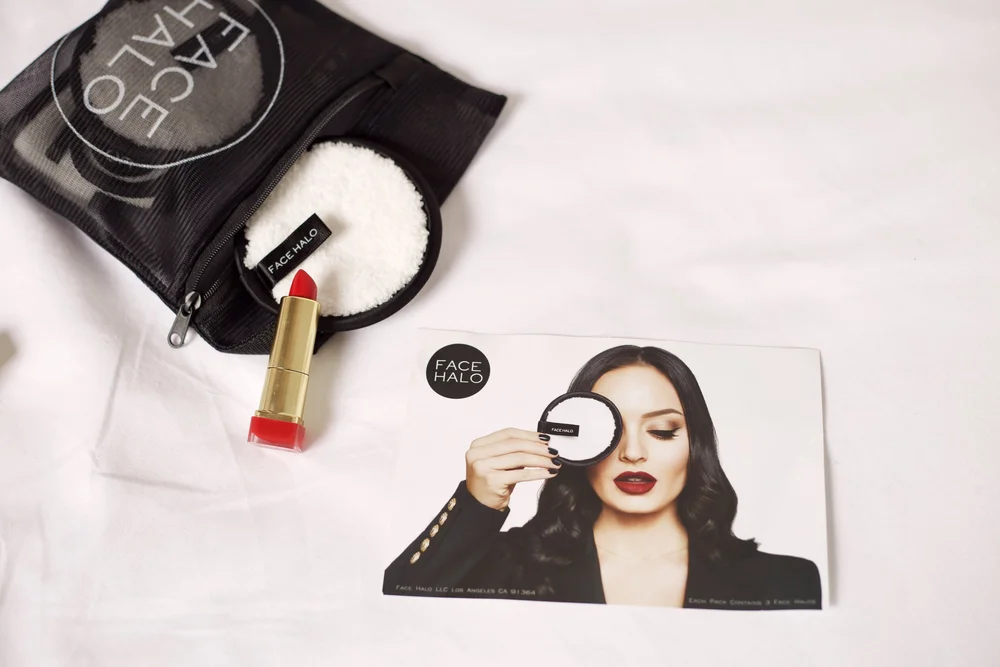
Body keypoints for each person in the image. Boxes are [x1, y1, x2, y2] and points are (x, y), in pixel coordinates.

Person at [383, 345, 822, 610]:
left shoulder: (788, 580)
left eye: (662, 431)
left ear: (697, 445)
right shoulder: (502, 566)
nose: (632, 453)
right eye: (608, 433)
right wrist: (476, 504)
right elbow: (393, 611)